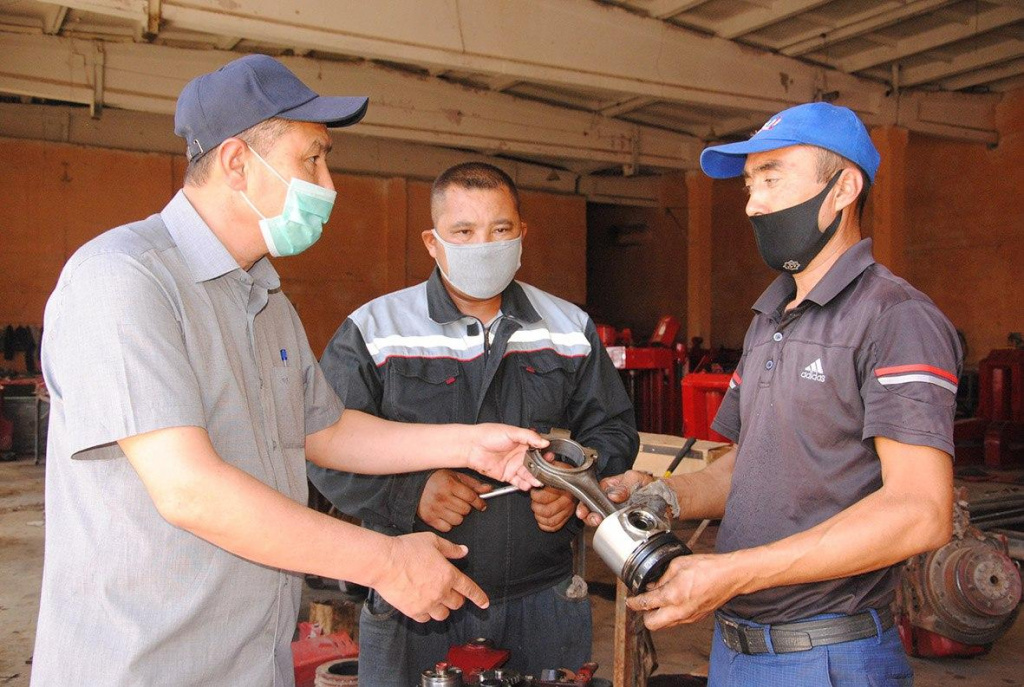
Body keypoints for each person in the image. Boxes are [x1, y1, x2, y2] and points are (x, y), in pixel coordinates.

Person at [30, 56, 548, 687]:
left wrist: (473, 443)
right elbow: (188, 488)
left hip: (252, 656)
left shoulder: (264, 299)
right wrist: (385, 561)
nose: (328, 183)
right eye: (312, 159)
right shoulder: (122, 280)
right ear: (237, 161)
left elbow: (324, 431)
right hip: (147, 664)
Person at [579, 103, 961, 685]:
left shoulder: (894, 317)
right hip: (738, 649)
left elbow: (921, 511)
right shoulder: (770, 318)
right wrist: (661, 496)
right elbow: (745, 468)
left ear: (843, 188)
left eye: (773, 177)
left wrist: (731, 573)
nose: (754, 203)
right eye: (750, 184)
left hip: (827, 655)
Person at [308, 162, 639, 683]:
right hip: (416, 600)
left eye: (500, 229)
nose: (483, 245)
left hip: (546, 598)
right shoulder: (373, 331)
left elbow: (614, 429)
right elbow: (322, 448)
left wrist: (574, 483)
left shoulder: (569, 328)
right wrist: (409, 494)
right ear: (432, 241)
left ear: (522, 234)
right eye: (463, 232)